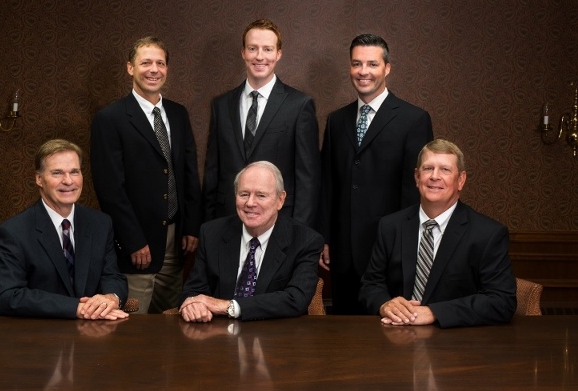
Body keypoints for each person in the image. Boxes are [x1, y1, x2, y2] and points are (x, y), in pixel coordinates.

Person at [319, 33, 434, 314]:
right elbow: (328, 184)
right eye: (357, 64)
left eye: (372, 64)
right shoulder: (336, 120)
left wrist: (406, 247)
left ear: (387, 68)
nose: (363, 72)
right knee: (344, 343)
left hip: (391, 253)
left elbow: (416, 191)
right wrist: (324, 238)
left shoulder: (414, 120)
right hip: (343, 255)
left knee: (389, 343)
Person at [90, 36, 201, 313]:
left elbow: (188, 173)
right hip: (137, 243)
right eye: (146, 63)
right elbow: (110, 188)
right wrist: (134, 240)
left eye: (160, 63)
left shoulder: (177, 114)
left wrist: (191, 227)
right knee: (135, 326)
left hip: (176, 240)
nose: (154, 69)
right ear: (130, 68)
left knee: (172, 322)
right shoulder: (110, 119)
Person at [360, 139, 517, 328]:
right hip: (395, 337)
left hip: (456, 345)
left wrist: (435, 312)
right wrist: (385, 304)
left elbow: (502, 301)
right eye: (427, 169)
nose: (435, 176)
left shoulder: (487, 234)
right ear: (417, 177)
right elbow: (371, 285)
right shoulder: (390, 226)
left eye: (445, 170)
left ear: (461, 180)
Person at [202, 19, 320, 227]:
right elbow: (212, 173)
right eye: (253, 48)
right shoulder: (221, 105)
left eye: (267, 49)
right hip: (226, 221)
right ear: (243, 53)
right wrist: (207, 226)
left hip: (280, 224)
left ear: (278, 54)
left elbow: (307, 180)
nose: (259, 56)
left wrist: (299, 234)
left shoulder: (299, 106)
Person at [0, 139, 129, 320]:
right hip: (37, 336)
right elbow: (7, 296)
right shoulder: (13, 232)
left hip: (94, 335)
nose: (68, 181)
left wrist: (111, 297)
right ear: (39, 179)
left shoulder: (101, 224)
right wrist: (76, 308)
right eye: (57, 173)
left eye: (75, 172)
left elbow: (113, 276)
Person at [179, 161, 323, 322]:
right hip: (218, 337)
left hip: (277, 338)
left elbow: (296, 299)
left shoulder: (305, 240)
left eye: (261, 195)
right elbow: (193, 290)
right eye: (244, 194)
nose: (250, 203)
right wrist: (193, 305)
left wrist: (229, 306)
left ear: (280, 200)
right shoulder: (212, 233)